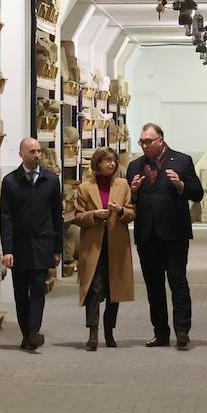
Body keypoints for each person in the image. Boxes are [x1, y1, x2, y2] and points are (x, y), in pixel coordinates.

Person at [126, 123, 203, 349]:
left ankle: (182, 331)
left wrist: (180, 185)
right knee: (154, 286)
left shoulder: (181, 161)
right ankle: (160, 332)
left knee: (177, 282)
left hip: (174, 234)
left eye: (148, 141)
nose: (144, 146)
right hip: (147, 235)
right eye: (142, 142)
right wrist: (133, 191)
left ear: (161, 140)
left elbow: (197, 193)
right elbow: (131, 202)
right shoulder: (135, 166)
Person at [0, 137, 63, 353]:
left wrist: (58, 248)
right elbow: (5, 217)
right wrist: (7, 250)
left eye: (38, 151)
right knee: (20, 293)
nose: (37, 155)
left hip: (43, 244)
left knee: (37, 290)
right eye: (32, 152)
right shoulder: (10, 182)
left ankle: (34, 332)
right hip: (19, 246)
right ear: (21, 155)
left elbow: (57, 215)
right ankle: (26, 333)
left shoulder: (51, 181)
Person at [74, 147, 136, 351]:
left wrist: (120, 211)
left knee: (114, 289)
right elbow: (77, 216)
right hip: (93, 246)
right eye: (107, 161)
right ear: (98, 163)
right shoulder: (84, 187)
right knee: (94, 288)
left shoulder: (123, 185)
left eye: (114, 161)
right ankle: (93, 333)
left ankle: (110, 331)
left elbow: (132, 213)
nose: (111, 164)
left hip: (116, 245)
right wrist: (93, 215)